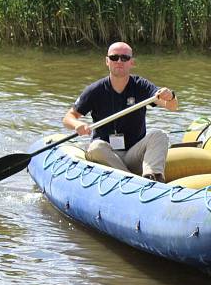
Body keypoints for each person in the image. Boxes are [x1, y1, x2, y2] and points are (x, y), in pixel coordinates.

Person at [63, 42, 178, 183]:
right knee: (96, 147)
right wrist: (77, 125)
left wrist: (170, 96)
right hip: (106, 154)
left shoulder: (141, 86)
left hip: (133, 154)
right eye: (114, 57)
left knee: (159, 135)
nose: (119, 61)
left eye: (124, 58)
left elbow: (171, 106)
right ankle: (132, 181)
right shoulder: (95, 90)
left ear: (132, 62)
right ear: (107, 61)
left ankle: (153, 178)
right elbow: (69, 117)